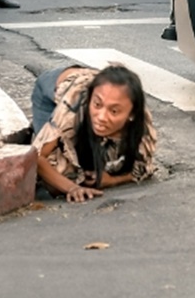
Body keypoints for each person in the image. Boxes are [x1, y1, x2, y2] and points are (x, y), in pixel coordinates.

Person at [30, 64, 157, 203]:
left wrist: (110, 180)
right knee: (59, 173)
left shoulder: (142, 124)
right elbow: (36, 156)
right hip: (51, 89)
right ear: (90, 100)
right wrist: (72, 188)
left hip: (87, 82)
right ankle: (48, 128)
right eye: (97, 105)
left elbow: (145, 167)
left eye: (114, 111)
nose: (101, 117)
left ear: (131, 114)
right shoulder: (72, 107)